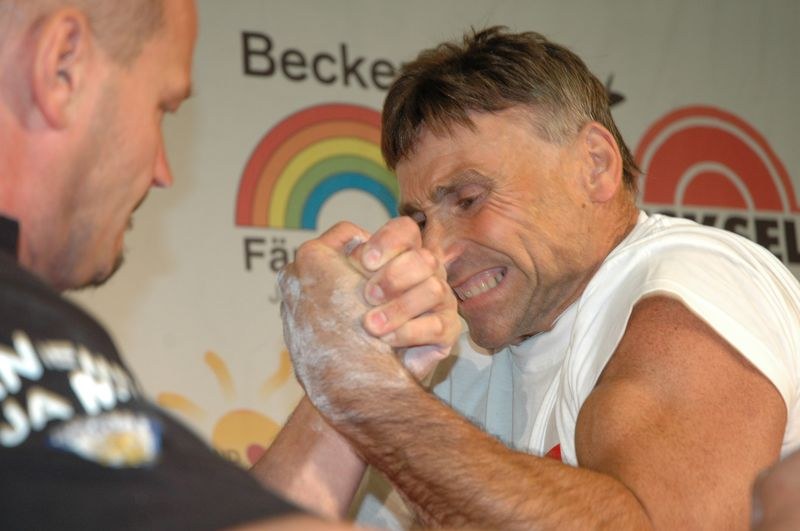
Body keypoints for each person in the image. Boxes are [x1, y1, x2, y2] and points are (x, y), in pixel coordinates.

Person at [268, 27, 800, 529]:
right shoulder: (461, 360)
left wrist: (373, 400)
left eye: (470, 199)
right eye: (421, 220)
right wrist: (346, 365)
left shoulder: (691, 278)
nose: (437, 251)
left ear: (594, 165)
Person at [0, 1, 447, 529]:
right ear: (62, 65)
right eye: (161, 107)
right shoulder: (21, 326)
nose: (161, 171)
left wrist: (356, 366)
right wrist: (367, 387)